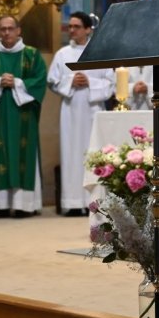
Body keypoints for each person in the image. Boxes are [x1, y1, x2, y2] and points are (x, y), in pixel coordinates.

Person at [0, 15, 48, 218]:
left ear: (18, 30)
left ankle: (24, 205)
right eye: (2, 29)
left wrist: (18, 83)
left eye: (10, 28)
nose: (6, 32)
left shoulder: (32, 55)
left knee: (22, 154)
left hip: (24, 114)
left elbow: (41, 79)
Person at [48, 12, 113, 216]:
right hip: (70, 110)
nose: (72, 30)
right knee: (71, 154)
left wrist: (90, 82)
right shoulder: (62, 54)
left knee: (92, 154)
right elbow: (53, 81)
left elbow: (111, 83)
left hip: (93, 110)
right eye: (70, 26)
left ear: (87, 29)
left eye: (76, 26)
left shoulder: (100, 52)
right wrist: (70, 82)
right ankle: (73, 202)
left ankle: (92, 201)